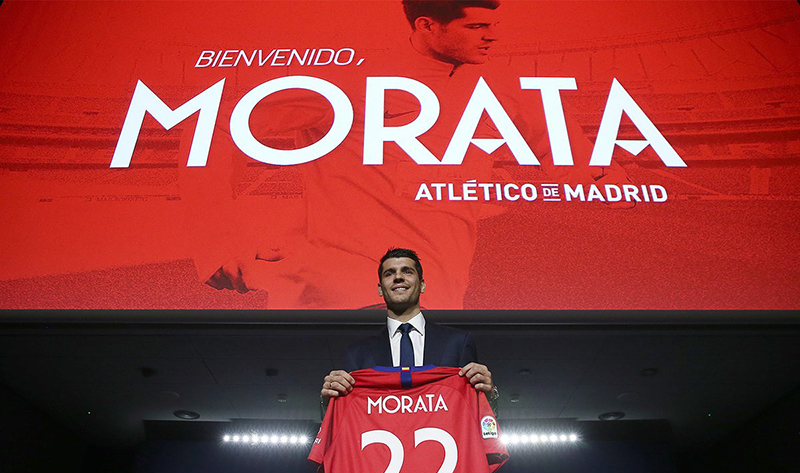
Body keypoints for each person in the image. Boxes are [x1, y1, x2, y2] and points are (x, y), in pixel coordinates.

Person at [183, 0, 627, 309]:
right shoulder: (350, 83)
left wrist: (606, 181)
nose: (492, 36)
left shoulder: (511, 91)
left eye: (493, 24)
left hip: (441, 293)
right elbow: (216, 123)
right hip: (339, 292)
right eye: (476, 27)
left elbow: (577, 165)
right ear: (427, 25)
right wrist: (215, 240)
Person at [320, 247, 499, 411]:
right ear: (380, 289)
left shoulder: (457, 343)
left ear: (422, 285)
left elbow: (475, 411)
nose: (398, 277)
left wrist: (489, 395)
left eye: (407, 271)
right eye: (389, 273)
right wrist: (329, 403)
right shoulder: (357, 353)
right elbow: (347, 417)